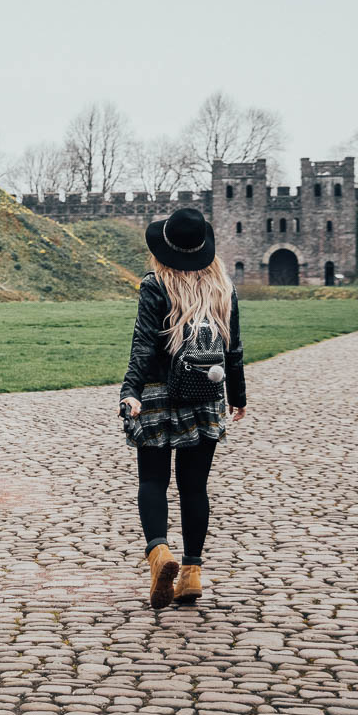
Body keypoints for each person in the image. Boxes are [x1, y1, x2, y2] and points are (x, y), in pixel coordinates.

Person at [119, 206, 247, 609]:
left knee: (153, 481)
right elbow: (233, 350)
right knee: (195, 487)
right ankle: (191, 574)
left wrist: (131, 390)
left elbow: (143, 344)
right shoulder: (223, 288)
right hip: (206, 397)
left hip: (157, 393)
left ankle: (159, 554)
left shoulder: (155, 285)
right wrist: (237, 397)